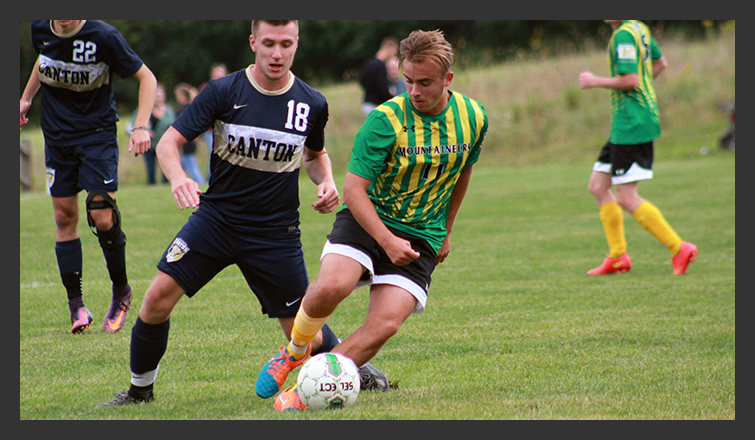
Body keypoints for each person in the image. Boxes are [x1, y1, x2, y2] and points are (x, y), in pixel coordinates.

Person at [98, 20, 386, 408]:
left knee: (304, 334)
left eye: (286, 44)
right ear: (253, 42)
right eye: (269, 43)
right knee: (156, 299)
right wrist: (179, 177)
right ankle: (139, 392)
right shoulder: (223, 91)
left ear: (296, 45)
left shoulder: (312, 102)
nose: (277, 53)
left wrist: (327, 181)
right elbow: (169, 142)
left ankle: (353, 369)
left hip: (275, 233)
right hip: (216, 221)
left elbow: (314, 155)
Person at [255, 29, 489, 411]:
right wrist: (387, 240)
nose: (413, 91)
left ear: (448, 79)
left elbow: (462, 173)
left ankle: (307, 389)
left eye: (425, 83)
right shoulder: (385, 120)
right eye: (408, 81)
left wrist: (445, 231)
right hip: (368, 219)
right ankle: (295, 350)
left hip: (422, 234)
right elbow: (353, 191)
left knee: (385, 325)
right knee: (333, 286)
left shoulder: (474, 118)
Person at [19, 20, 157, 334]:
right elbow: (44, 59)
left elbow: (147, 78)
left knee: (102, 215)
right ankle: (76, 306)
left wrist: (141, 125)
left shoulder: (103, 36)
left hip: (97, 135)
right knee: (64, 216)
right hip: (57, 137)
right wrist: (27, 97)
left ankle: (121, 291)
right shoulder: (41, 28)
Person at [579, 20, 698, 275]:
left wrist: (594, 81)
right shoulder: (638, 27)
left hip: (631, 125)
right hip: (627, 124)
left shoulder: (623, 34)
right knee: (598, 186)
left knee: (625, 196)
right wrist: (643, 88)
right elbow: (660, 63)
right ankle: (618, 256)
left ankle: (680, 248)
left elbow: (631, 80)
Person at [128, 82, 173, 185]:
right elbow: (131, 125)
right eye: (155, 96)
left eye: (159, 95)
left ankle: (165, 186)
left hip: (163, 144)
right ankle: (151, 185)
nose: (157, 98)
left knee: (165, 167)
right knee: (151, 168)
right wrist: (143, 131)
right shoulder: (145, 109)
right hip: (148, 144)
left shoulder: (168, 112)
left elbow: (174, 125)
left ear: (164, 97)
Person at [199, 62, 228, 182]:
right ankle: (211, 177)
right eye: (216, 75)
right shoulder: (206, 89)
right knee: (214, 152)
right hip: (210, 130)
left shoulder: (230, 88)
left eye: (221, 75)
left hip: (226, 130)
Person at [173, 82, 205, 184]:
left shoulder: (181, 110)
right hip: (190, 141)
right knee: (185, 165)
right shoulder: (191, 107)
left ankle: (201, 182)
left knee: (191, 166)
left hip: (185, 142)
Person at [359, 36, 399, 118]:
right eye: (394, 52)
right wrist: (394, 99)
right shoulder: (380, 65)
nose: (393, 55)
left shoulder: (370, 62)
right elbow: (382, 88)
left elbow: (362, 81)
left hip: (367, 104)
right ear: (390, 49)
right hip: (375, 105)